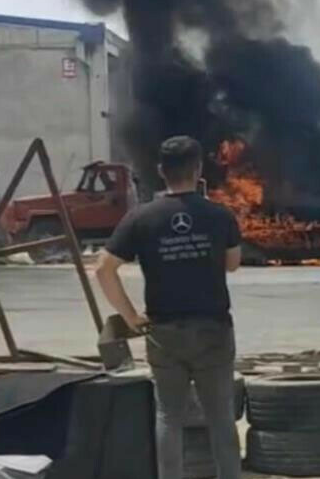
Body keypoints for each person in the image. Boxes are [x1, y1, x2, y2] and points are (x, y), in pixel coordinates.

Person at [95, 137, 242, 479]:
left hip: (163, 333)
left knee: (168, 417)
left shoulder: (141, 218)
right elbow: (233, 264)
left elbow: (103, 268)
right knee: (221, 417)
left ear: (161, 171)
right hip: (213, 330)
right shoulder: (220, 215)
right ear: (198, 170)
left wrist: (131, 317)